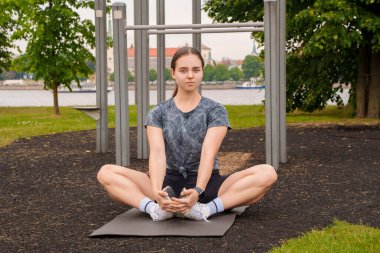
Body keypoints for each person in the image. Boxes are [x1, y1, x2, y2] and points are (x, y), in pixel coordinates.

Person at [97, 47, 277, 222]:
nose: (190, 75)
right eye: (183, 70)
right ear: (173, 73)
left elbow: (208, 152)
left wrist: (198, 190)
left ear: (202, 72)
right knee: (106, 172)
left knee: (267, 173)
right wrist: (156, 192)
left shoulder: (215, 110)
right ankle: (156, 210)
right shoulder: (158, 112)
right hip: (166, 183)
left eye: (195, 70)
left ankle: (204, 210)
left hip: (208, 185)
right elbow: (158, 154)